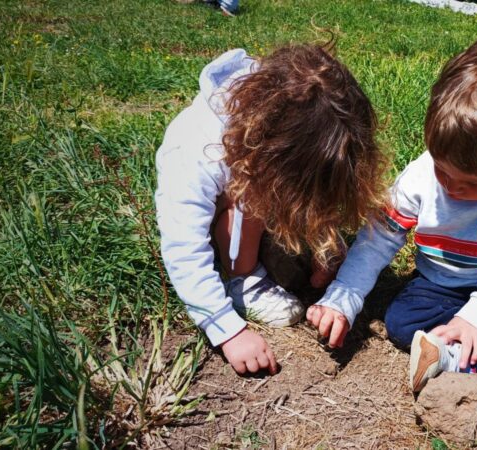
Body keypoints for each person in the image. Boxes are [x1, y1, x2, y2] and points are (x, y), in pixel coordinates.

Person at [306, 37, 477, 393]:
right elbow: (377, 240)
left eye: (472, 183)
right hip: (441, 286)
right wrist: (344, 296)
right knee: (401, 320)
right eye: (442, 170)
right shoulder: (420, 177)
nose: (451, 187)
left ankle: (473, 357)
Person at [155, 44, 388, 375]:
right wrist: (227, 330)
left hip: (262, 181)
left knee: (281, 190)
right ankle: (244, 279)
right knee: (248, 192)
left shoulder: (280, 116)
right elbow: (183, 248)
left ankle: (293, 240)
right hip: (227, 207)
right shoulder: (194, 154)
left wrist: (323, 238)